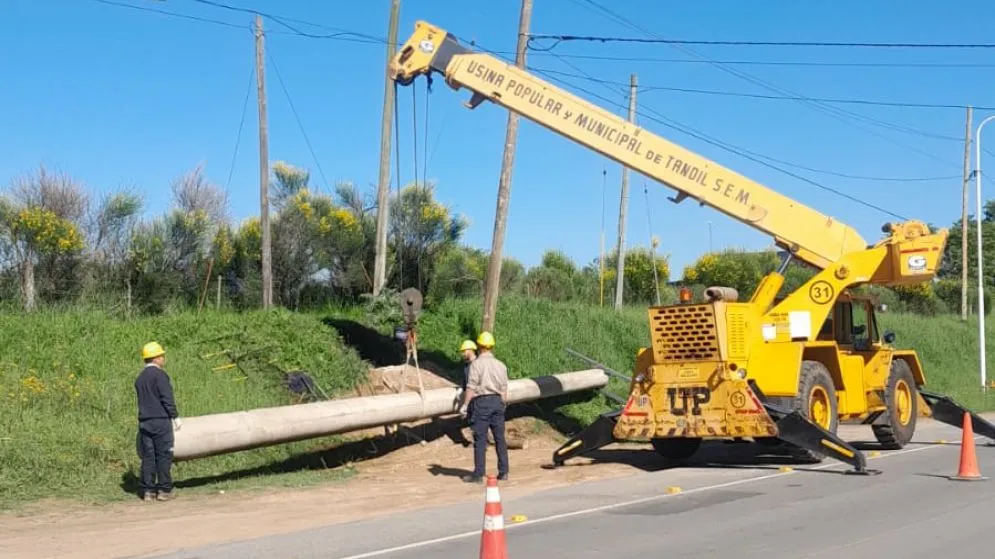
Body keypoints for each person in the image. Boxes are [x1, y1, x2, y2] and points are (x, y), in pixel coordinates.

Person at [458, 331, 509, 483]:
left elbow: (471, 386)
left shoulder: (476, 364)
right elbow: (504, 388)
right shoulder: (501, 365)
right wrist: (502, 403)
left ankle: (479, 474)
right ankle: (504, 472)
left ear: (479, 346)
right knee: (500, 438)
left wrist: (465, 405)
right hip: (498, 402)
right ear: (492, 347)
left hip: (482, 403)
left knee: (480, 439)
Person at [135, 341, 181, 502]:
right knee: (164, 455)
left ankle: (148, 491)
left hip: (144, 422)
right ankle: (164, 490)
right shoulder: (160, 375)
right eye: (162, 355)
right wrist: (174, 416)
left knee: (148, 457)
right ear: (155, 358)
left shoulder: (140, 378)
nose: (163, 358)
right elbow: (167, 398)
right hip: (160, 421)